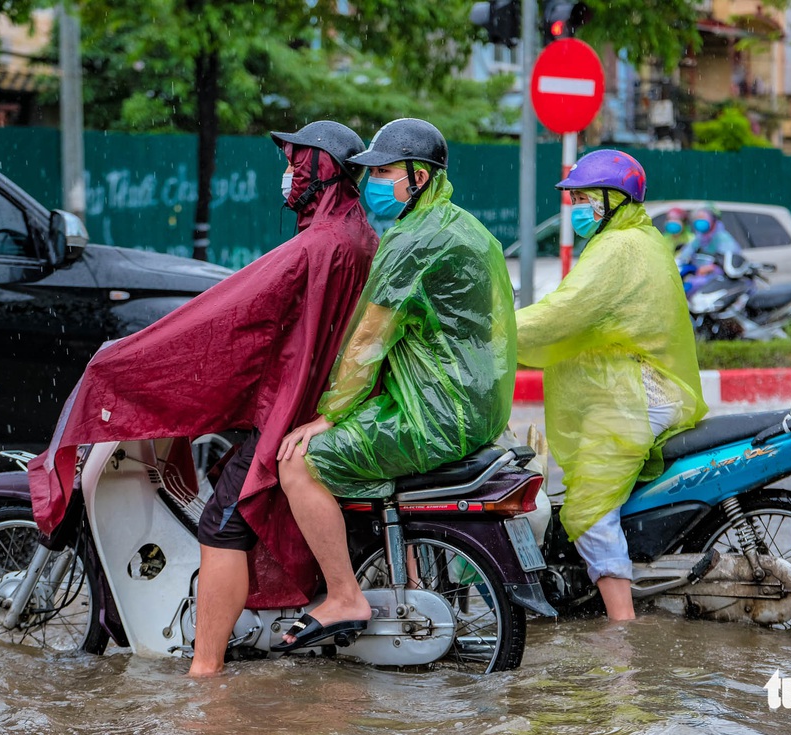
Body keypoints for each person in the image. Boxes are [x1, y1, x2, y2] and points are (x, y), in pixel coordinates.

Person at [24, 121, 379, 678]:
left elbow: (230, 315)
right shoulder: (357, 234)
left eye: (295, 163)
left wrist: (142, 354)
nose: (287, 176)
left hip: (295, 409)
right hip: (321, 401)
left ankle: (205, 672)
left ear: (321, 169)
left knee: (223, 519)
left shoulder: (316, 244)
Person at [270, 118, 517, 651]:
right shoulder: (465, 227)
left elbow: (367, 341)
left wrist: (328, 413)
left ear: (420, 178)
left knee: (297, 460)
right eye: (370, 171)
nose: (373, 182)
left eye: (385, 171)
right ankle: (402, 572)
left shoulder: (412, 240)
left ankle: (342, 595)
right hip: (474, 409)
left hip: (435, 415)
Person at [514, 149, 707, 621]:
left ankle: (623, 631)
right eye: (574, 197)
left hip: (635, 392)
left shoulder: (618, 247)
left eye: (583, 197)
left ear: (612, 199)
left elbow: (564, 312)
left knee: (588, 507)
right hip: (647, 386)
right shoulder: (640, 237)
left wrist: (497, 331)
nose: (576, 206)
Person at [675, 204, 742, 293]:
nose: (699, 221)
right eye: (697, 218)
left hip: (718, 284)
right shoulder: (699, 238)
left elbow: (730, 262)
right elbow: (685, 254)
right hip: (699, 280)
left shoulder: (723, 239)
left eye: (703, 217)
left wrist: (711, 268)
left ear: (713, 219)